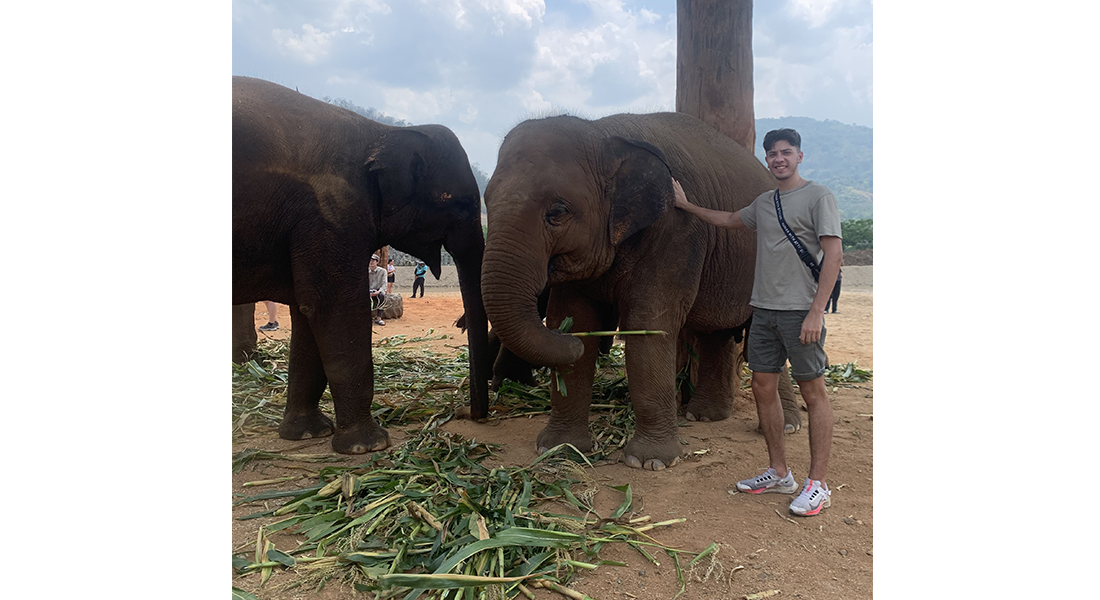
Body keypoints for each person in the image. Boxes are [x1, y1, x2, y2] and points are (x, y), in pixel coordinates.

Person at [673, 128, 842, 517]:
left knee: (813, 392)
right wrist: (687, 205)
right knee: (763, 386)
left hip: (801, 310)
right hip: (762, 310)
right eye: (772, 154)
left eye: (786, 152)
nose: (778, 159)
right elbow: (730, 219)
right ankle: (780, 473)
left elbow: (833, 255)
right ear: (767, 161)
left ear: (800, 156)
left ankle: (818, 484)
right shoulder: (765, 202)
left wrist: (817, 311)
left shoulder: (819, 196)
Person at [368, 254, 388, 325]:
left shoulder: (383, 271)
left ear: (377, 262)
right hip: (368, 290)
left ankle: (379, 318)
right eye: (370, 260)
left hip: (378, 290)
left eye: (373, 260)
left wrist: (378, 291)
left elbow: (384, 284)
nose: (371, 262)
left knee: (382, 295)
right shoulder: (366, 271)